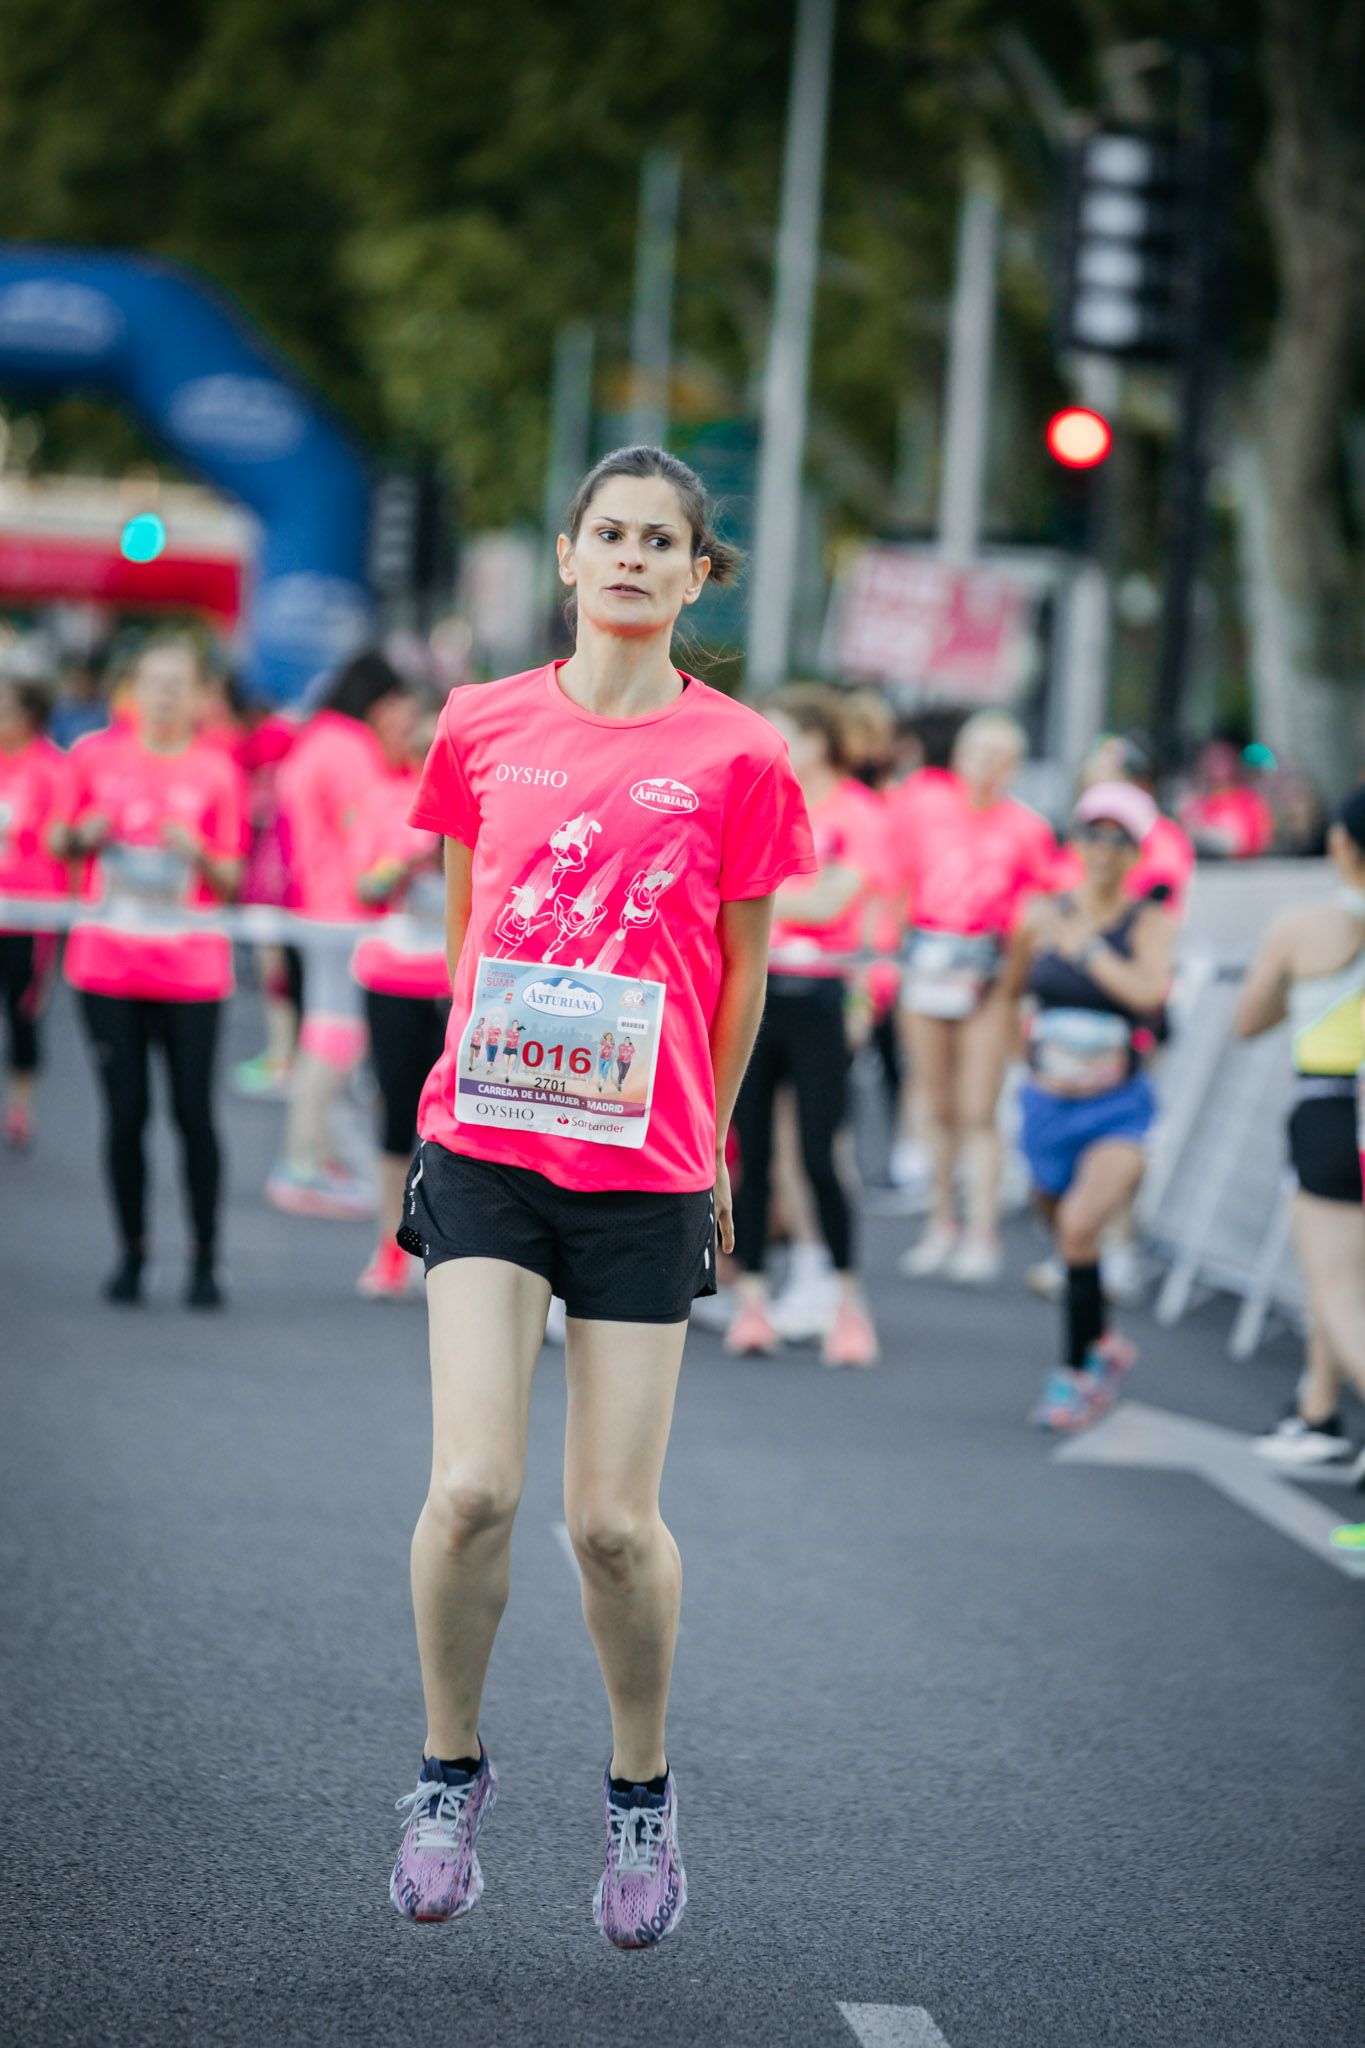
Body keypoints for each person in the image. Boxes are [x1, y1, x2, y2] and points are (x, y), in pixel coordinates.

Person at [385, 445, 814, 1947]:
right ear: (566, 557)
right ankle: (447, 1770)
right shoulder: (481, 722)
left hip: (644, 1169)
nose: (631, 556)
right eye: (608, 532)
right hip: (489, 1146)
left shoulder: (745, 756)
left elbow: (744, 973)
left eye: (662, 541)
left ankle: (640, 1791)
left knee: (612, 1525)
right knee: (472, 1488)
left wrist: (703, 1149)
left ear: (698, 576)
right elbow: (465, 925)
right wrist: (482, 1073)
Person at [51, 635, 246, 1307]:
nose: (165, 695)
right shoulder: (94, 756)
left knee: (193, 1114)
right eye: (154, 682)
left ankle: (204, 1258)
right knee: (125, 1114)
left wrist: (198, 854)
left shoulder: (217, 769)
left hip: (191, 970)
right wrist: (83, 836)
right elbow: (57, 839)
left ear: (199, 696)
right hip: (105, 964)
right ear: (133, 690)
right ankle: (132, 1253)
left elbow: (232, 877)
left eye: (179, 683)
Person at [1000, 782, 1174, 1429]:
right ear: (1075, 842)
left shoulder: (1149, 922)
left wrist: (1088, 949)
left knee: (1078, 1227)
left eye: (1118, 837)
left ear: (1135, 851)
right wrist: (1012, 1063)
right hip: (1046, 1104)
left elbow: (1148, 991)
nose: (1103, 848)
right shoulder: (1038, 915)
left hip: (1117, 1108)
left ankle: (1073, 1374)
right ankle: (1101, 1340)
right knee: (1064, 1231)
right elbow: (1009, 993)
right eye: (1093, 833)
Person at [723, 685, 882, 1367]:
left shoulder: (859, 812)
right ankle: (753, 1301)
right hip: (756, 993)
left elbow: (831, 899)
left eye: (784, 732)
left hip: (821, 996)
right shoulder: (763, 801)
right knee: (750, 1154)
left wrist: (765, 892)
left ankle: (847, 1302)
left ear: (817, 740)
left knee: (820, 1152)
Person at [890, 710, 1056, 1283]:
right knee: (934, 1103)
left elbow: (1043, 905)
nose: (984, 764)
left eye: (997, 753)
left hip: (989, 976)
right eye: (975, 750)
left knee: (977, 1108)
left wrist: (1012, 975)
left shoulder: (1028, 829)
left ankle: (981, 1230)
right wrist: (893, 959)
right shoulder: (928, 813)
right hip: (929, 962)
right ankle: (941, 1221)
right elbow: (901, 884)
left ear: (1012, 764)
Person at [1235, 787, 1365, 1473]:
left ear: (1340, 844)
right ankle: (1316, 1407)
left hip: (1331, 1106)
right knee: (1340, 1276)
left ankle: (1321, 1408)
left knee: (1337, 1285)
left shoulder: (1305, 925)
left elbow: (1247, 1020)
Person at [267, 651, 415, 1218]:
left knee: (324, 1033)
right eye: (397, 704)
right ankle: (301, 1163)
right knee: (338, 1038)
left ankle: (312, 1157)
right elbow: (374, 826)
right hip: (345, 911)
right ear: (377, 700)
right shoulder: (351, 748)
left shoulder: (316, 739)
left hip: (315, 904)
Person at [348, 710, 450, 1301]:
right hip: (392, 977)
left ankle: (446, 1245)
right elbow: (362, 887)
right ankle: (390, 1243)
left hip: (459, 985)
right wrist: (408, 863)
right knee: (394, 1115)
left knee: (458, 1128)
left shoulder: (482, 805)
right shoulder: (384, 801)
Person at [0, 676, 67, 1147]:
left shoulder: (51, 769)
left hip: (27, 915)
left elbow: (58, 850)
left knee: (22, 1015)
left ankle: (21, 1106)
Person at [1180, 737, 1274, 859]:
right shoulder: (1194, 804)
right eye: (1211, 759)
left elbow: (1262, 841)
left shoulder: (1250, 802)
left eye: (1222, 759)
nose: (1216, 765)